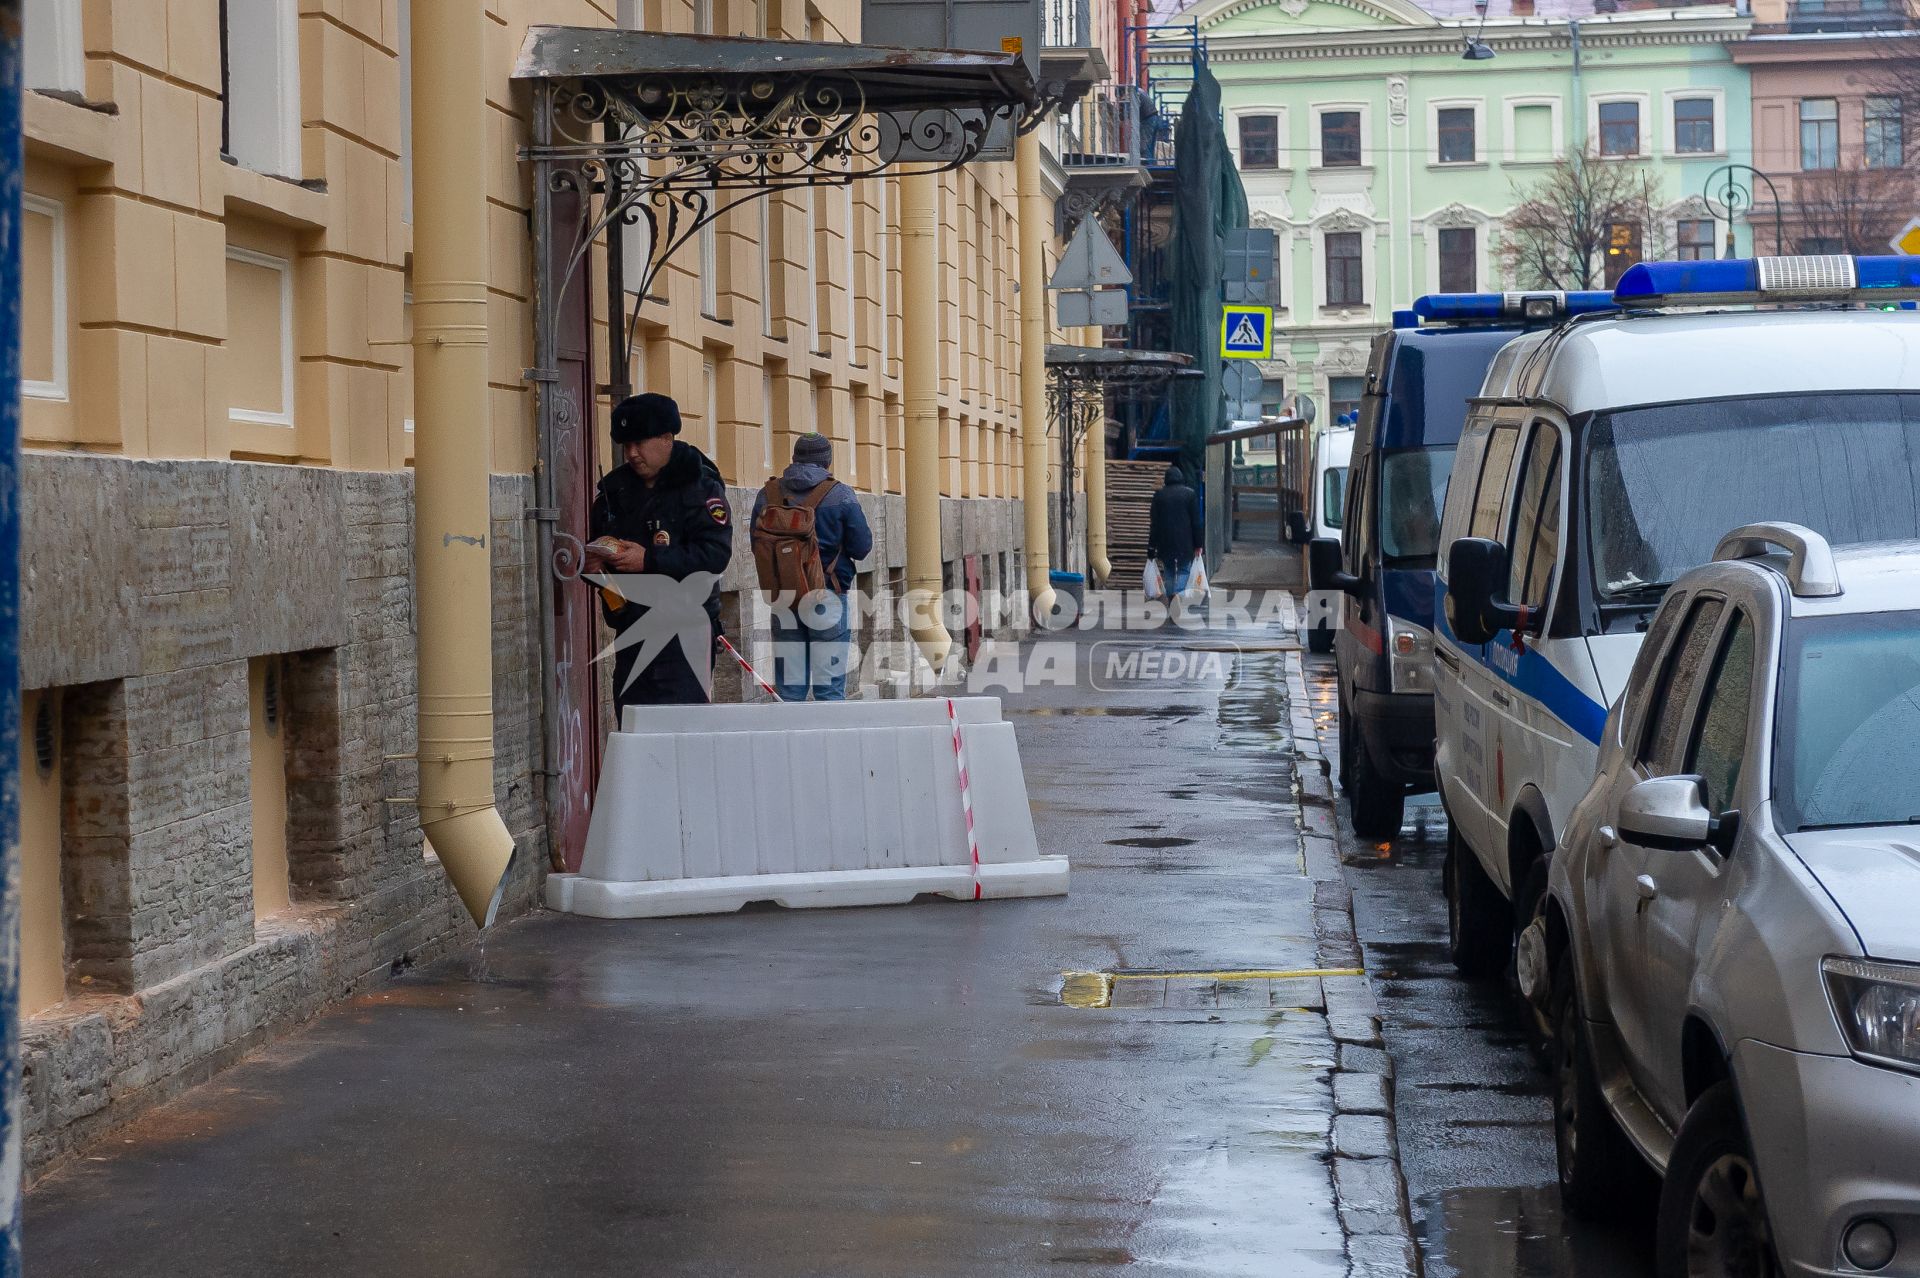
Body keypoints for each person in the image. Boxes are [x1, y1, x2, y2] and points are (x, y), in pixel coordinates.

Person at [584, 392, 733, 711]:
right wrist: (596, 570)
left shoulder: (700, 485)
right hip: (633, 630)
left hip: (685, 633)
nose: (632, 454)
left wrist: (648, 560)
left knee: (681, 738)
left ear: (667, 438)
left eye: (640, 443)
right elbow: (599, 557)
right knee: (635, 730)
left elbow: (714, 555)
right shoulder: (615, 492)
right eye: (626, 446)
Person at [751, 432, 873, 701]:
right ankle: (828, 743)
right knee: (829, 691)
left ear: (794, 458)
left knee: (789, 691)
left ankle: (788, 742)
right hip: (827, 594)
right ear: (827, 461)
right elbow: (862, 547)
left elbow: (756, 545)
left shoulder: (767, 494)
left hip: (784, 598)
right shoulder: (839, 494)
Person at [1146, 465, 1204, 595]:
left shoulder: (1159, 496)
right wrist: (1199, 544)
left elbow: (1155, 524)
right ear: (1181, 478)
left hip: (1165, 543)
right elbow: (1196, 522)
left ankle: (1172, 597)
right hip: (1185, 543)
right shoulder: (1189, 494)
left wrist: (1151, 546)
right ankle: (1178, 594)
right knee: (1184, 570)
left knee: (1169, 571)